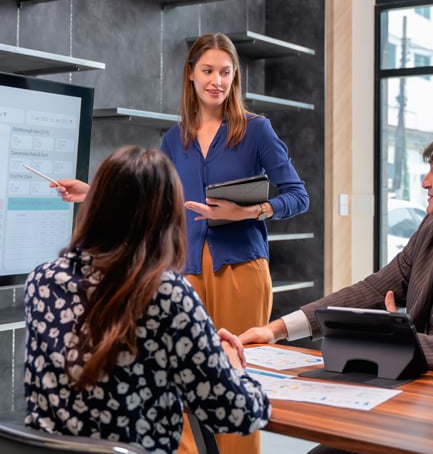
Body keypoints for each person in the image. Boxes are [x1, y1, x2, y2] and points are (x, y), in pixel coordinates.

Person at [241, 126, 433, 377]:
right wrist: (277, 329)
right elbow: (374, 289)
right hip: (421, 393)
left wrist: (391, 340)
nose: (425, 182)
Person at [25, 146, 271, 454]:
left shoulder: (41, 281)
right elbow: (237, 413)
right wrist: (229, 362)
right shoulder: (167, 293)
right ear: (167, 218)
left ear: (94, 206)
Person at [160, 32, 309, 454]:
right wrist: (93, 191)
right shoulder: (175, 139)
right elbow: (151, 194)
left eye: (226, 72)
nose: (217, 81)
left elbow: (297, 195)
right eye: (208, 71)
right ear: (191, 75)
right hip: (184, 271)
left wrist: (248, 212)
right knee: (184, 380)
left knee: (235, 380)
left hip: (241, 269)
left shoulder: (256, 130)